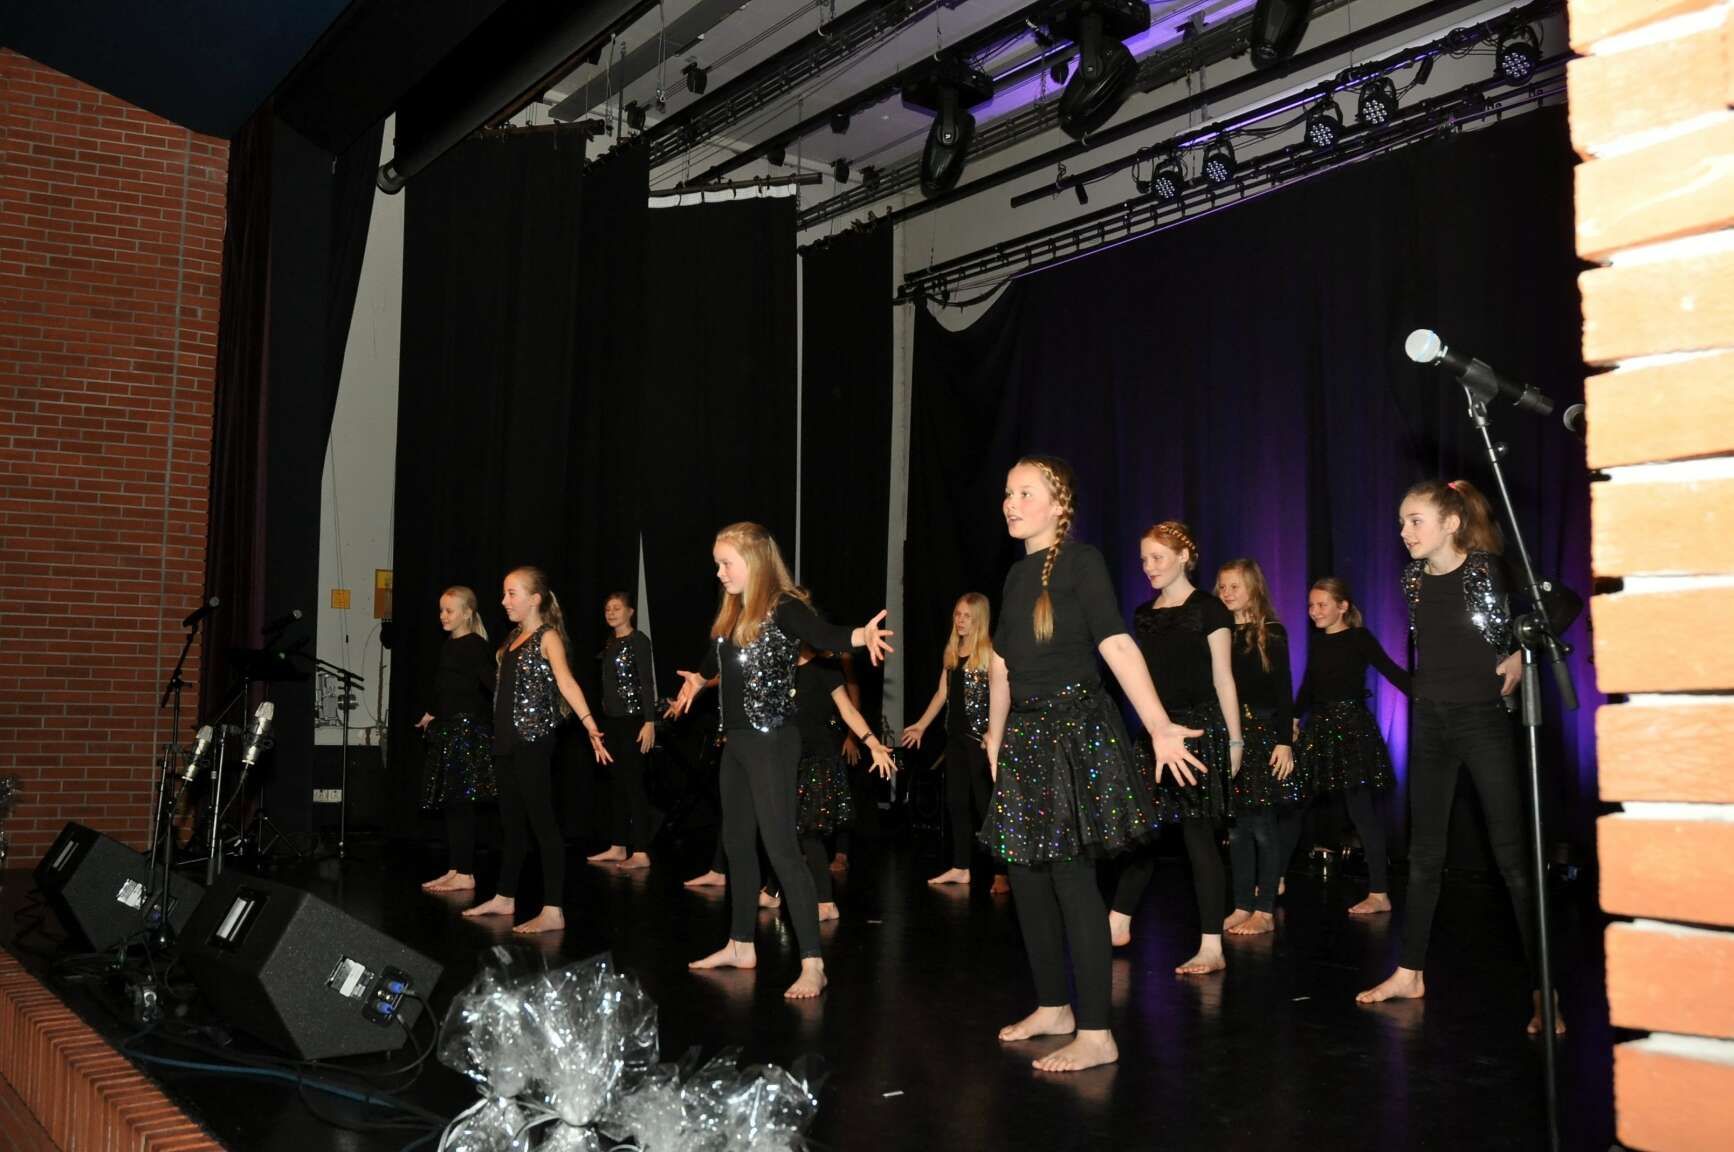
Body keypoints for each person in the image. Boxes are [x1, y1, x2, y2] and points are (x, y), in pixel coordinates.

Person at [982, 456, 1201, 1072]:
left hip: (1073, 732)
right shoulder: (1016, 575)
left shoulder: (1081, 562)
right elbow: (1001, 664)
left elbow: (1116, 643)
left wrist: (1158, 725)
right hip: (1025, 737)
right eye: (1008, 492)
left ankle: (1098, 1032)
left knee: (1072, 880)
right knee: (1025, 876)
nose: (1010, 502)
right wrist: (994, 737)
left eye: (1025, 492)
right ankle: (1054, 1007)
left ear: (1058, 506)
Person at [1357, 479, 1562, 1036]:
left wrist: (1519, 651)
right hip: (1431, 724)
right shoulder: (1411, 579)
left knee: (1513, 861)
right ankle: (1409, 973)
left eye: (1415, 521)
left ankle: (1545, 990)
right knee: (1424, 856)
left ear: (1450, 523)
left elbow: (1555, 605)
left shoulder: (1487, 570)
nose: (1404, 533)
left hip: (1482, 723)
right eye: (1401, 522)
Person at [667, 522, 893, 999]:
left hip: (772, 742)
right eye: (717, 564)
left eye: (726, 563)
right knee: (737, 843)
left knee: (783, 849)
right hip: (737, 743)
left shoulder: (784, 607)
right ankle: (740, 944)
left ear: (754, 561)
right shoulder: (734, 611)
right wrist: (696, 681)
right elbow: (715, 657)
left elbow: (824, 634)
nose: (719, 572)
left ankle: (813, 963)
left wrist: (861, 635)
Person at [1108, 522, 1241, 975]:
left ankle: (1211, 946)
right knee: (1142, 832)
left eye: (1157, 558)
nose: (1148, 567)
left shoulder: (1210, 609)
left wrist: (1235, 740)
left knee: (1198, 837)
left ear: (1184, 557)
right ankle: (1118, 921)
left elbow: (1224, 679)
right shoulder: (1144, 615)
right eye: (1144, 560)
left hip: (1198, 732)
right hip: (1156, 734)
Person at [463, 567, 611, 934]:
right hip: (506, 743)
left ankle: (553, 910)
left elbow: (566, 682)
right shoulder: (514, 637)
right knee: (512, 827)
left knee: (543, 824)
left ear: (535, 599)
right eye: (504, 593)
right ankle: (505, 897)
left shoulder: (548, 637)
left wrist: (590, 725)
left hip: (532, 742)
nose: (504, 601)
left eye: (511, 593)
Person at [1287, 577, 1409, 916]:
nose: (1314, 612)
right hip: (1320, 729)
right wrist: (1294, 718)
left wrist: (1428, 694)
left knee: (1361, 811)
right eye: (1311, 606)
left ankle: (1379, 892)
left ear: (1342, 607)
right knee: (1295, 805)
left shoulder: (1359, 638)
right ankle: (1274, 880)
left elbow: (1391, 671)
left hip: (1351, 730)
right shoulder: (1318, 643)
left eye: (1321, 605)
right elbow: (1309, 686)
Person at [1216, 559, 1302, 936]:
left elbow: (1284, 690)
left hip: (1264, 733)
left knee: (1264, 825)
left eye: (1235, 586)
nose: (1227, 593)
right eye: (1222, 587)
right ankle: (1241, 904)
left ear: (1253, 588)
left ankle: (1264, 909)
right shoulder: (1220, 634)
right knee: (1237, 827)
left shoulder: (1272, 632)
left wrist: (1284, 741)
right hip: (1232, 734)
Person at [900, 593, 1007, 890]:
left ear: (979, 619)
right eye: (957, 614)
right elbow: (942, 694)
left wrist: (994, 734)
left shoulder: (989, 654)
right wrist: (921, 725)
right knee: (956, 803)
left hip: (980, 741)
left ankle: (1002, 872)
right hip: (956, 739)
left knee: (986, 805)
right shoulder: (953, 651)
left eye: (967, 616)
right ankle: (961, 867)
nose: (960, 620)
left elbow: (1001, 696)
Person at [794, 647, 895, 919]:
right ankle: (772, 891)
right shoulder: (782, 666)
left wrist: (868, 741)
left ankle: (826, 901)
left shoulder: (825, 668)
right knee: (783, 829)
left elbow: (849, 706)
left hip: (819, 756)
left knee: (810, 829)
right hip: (788, 758)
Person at [416, 586, 496, 893]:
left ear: (467, 613)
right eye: (441, 610)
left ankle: (466, 873)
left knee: (462, 804)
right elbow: (446, 688)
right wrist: (432, 713)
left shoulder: (475, 645)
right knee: (452, 803)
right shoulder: (450, 645)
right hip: (448, 730)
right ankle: (455, 868)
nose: (443, 616)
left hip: (466, 732)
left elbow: (491, 685)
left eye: (449, 611)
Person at [588, 591, 657, 870]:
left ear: (630, 612)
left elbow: (646, 682)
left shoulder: (638, 640)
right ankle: (618, 846)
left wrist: (649, 722)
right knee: (617, 785)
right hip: (612, 722)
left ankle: (641, 850)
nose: (611, 613)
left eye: (617, 608)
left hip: (634, 721)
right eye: (607, 609)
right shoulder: (610, 643)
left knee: (633, 785)